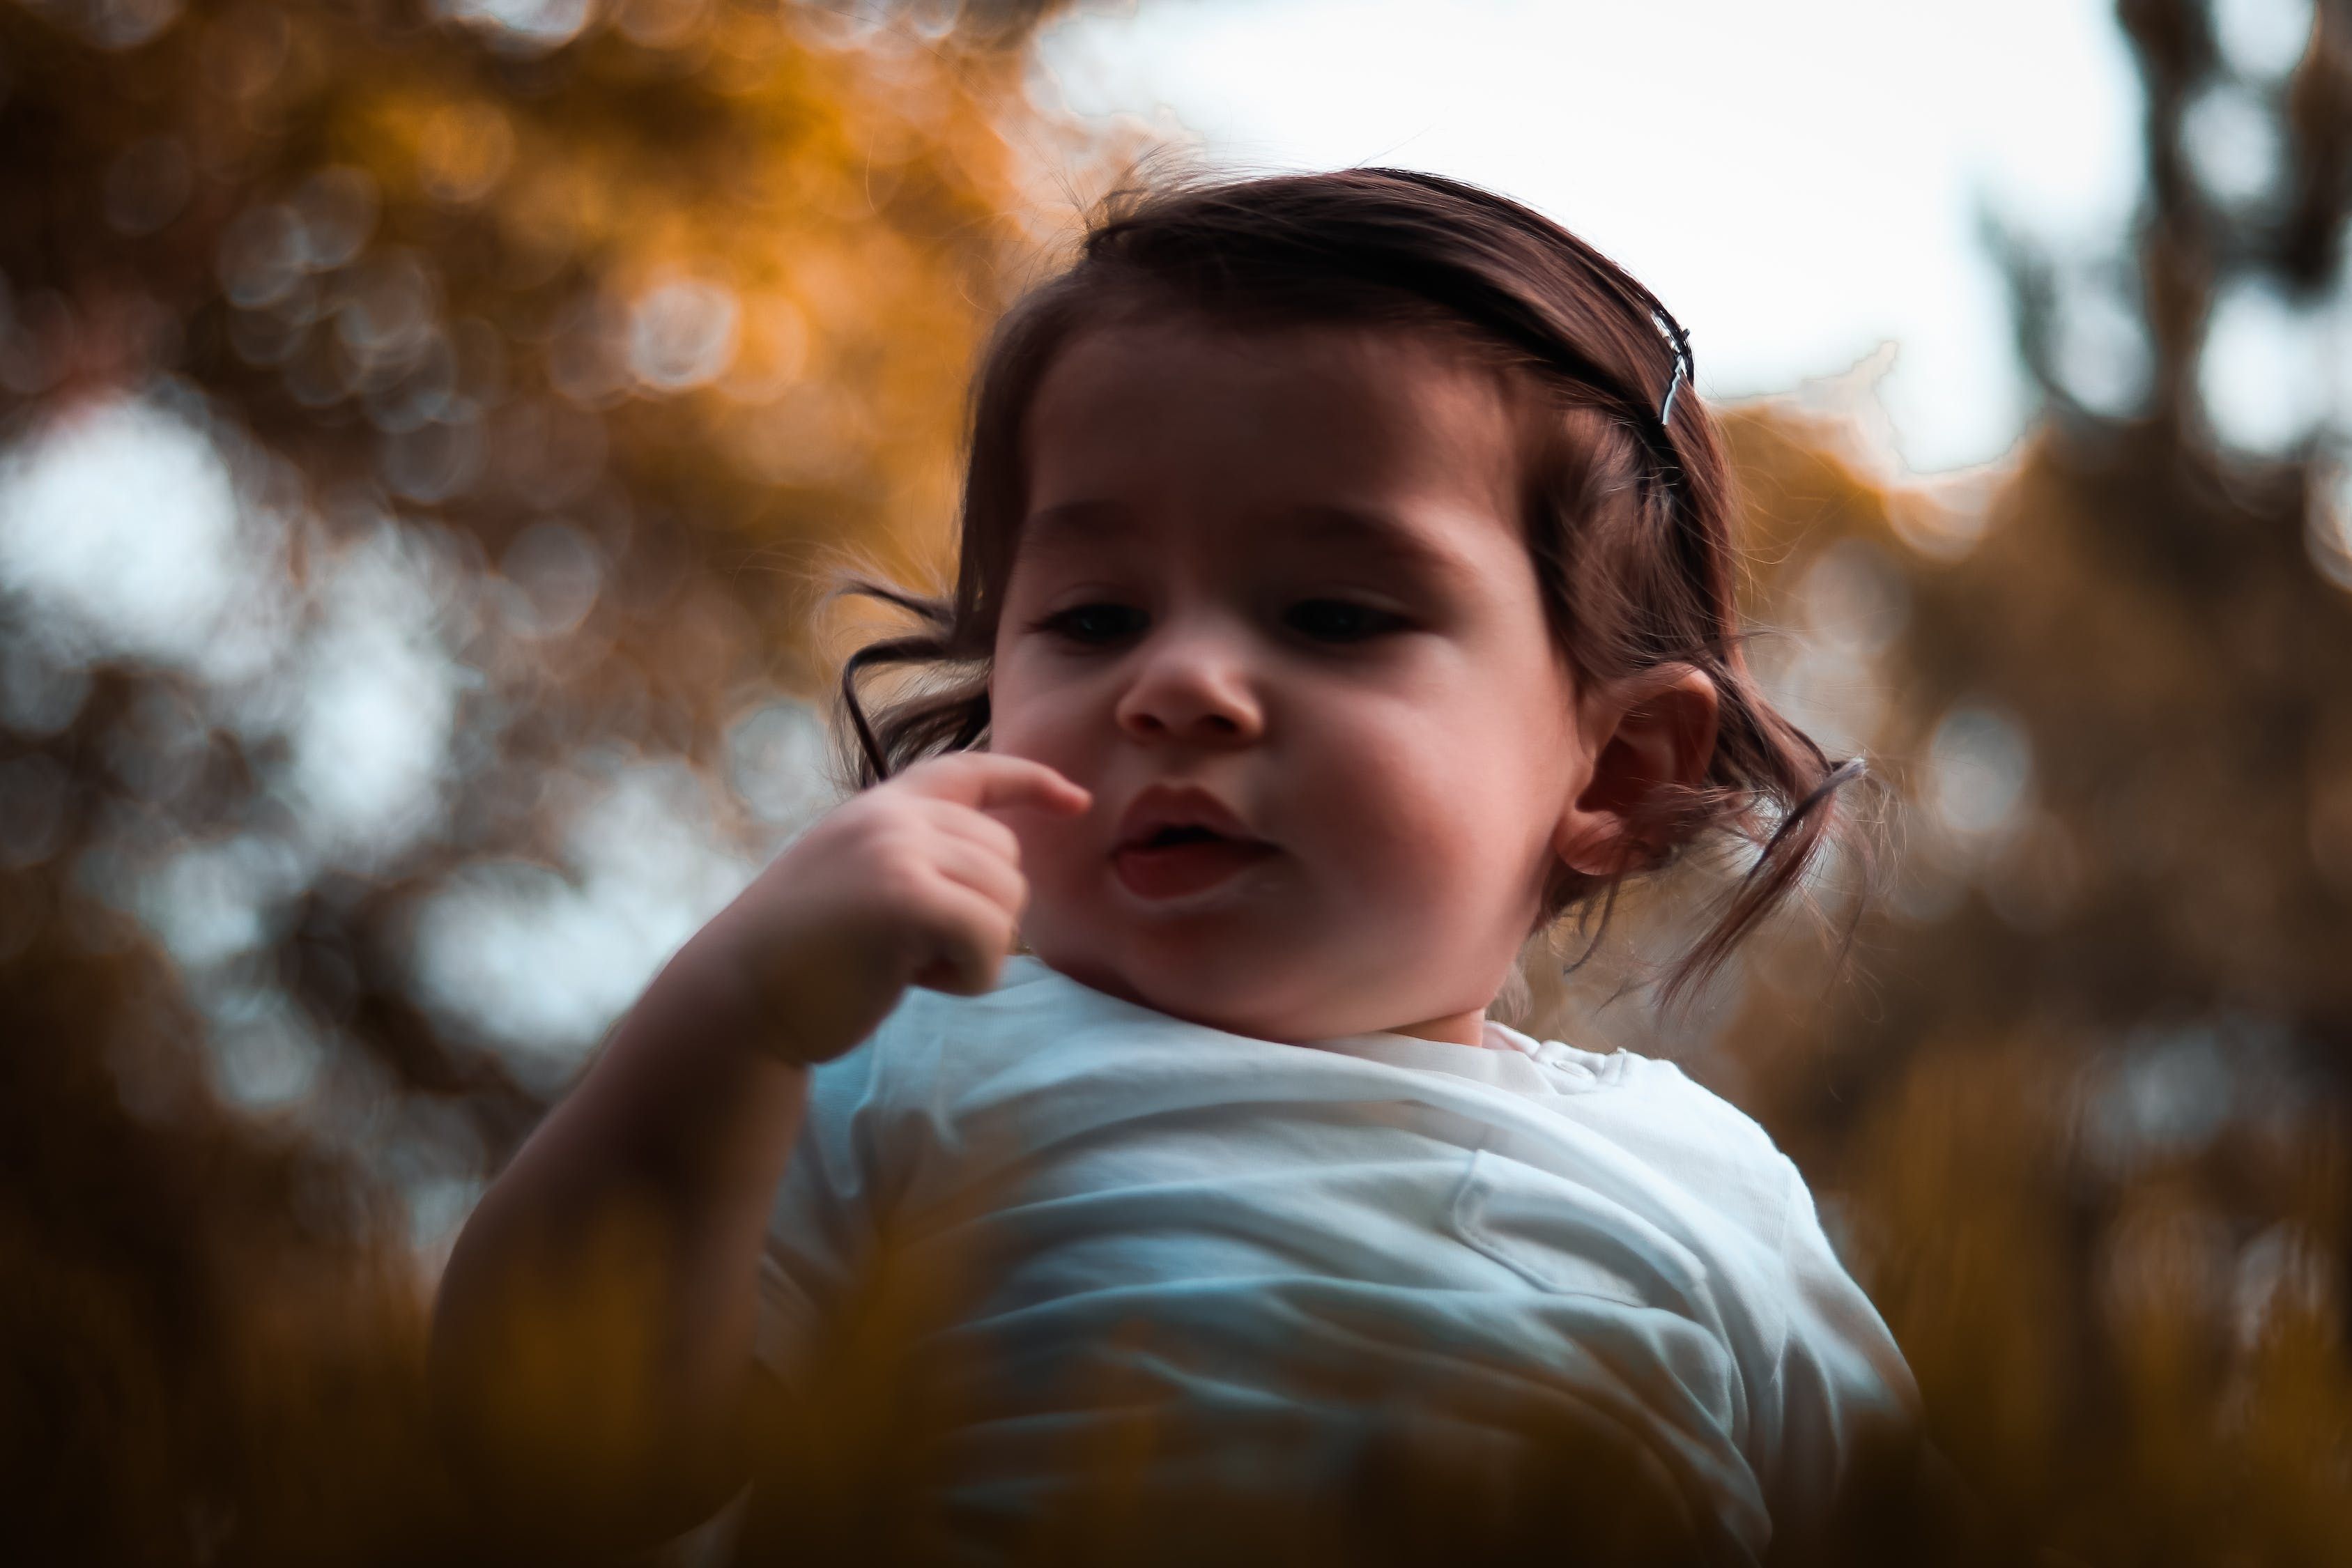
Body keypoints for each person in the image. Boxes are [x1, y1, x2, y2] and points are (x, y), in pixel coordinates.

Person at [429, 168, 1922, 1567]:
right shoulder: (902, 1069)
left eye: (1332, 615)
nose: (1180, 683)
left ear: (1609, 772)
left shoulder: (1703, 1188)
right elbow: (556, 1458)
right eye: (1091, 617)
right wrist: (730, 1020)